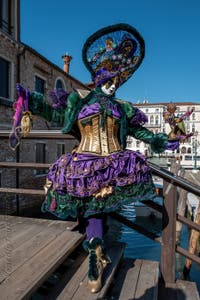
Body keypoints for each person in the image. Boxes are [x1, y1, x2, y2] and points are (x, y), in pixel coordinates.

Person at [10, 23, 183, 293]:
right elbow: (56, 115)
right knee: (93, 207)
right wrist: (31, 100)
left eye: (116, 83)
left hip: (114, 162)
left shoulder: (122, 108)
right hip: (84, 163)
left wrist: (161, 140)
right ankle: (95, 252)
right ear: (99, 80)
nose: (113, 86)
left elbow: (139, 131)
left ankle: (95, 252)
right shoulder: (78, 102)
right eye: (108, 82)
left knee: (99, 206)